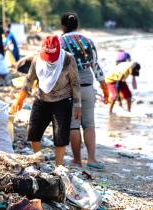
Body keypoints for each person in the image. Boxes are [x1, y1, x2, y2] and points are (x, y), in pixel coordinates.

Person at [12, 35, 81, 166]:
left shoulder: (68, 59)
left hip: (62, 101)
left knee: (60, 137)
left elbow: (75, 83)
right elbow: (29, 79)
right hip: (41, 99)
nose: (49, 61)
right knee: (33, 133)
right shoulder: (37, 58)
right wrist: (20, 98)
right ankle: (39, 161)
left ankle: (58, 167)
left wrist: (78, 105)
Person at [60, 12, 108, 169]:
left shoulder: (61, 41)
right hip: (88, 88)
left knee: (74, 125)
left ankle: (77, 160)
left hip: (71, 90)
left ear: (63, 26)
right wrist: (104, 87)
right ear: (77, 25)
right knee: (89, 124)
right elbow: (96, 66)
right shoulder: (88, 41)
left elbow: (58, 68)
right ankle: (92, 159)